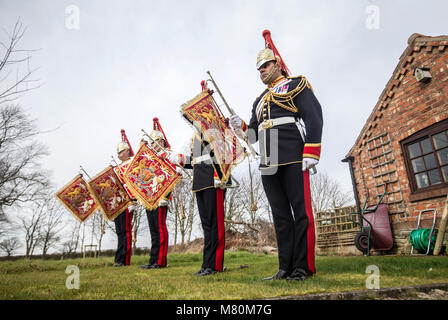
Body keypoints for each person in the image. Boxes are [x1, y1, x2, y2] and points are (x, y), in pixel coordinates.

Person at [230, 30, 323, 281]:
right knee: (280, 215)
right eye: (258, 68)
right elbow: (252, 137)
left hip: (293, 150)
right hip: (268, 157)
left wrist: (312, 150)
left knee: (300, 212)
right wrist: (238, 126)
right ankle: (285, 267)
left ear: (278, 63)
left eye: (265, 65)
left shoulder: (297, 84)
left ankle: (303, 268)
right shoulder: (258, 101)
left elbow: (313, 115)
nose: (261, 70)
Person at [177, 130, 231, 277]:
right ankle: (206, 264)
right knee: (207, 226)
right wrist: (180, 159)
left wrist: (219, 174)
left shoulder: (215, 128)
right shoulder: (196, 135)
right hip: (200, 181)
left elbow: (225, 151)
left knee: (215, 224)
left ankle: (215, 264)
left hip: (214, 180)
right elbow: (196, 161)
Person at [140, 118, 177, 269]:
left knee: (160, 228)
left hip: (162, 196)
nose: (153, 145)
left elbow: (173, 175)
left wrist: (166, 195)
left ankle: (161, 261)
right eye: (151, 143)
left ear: (161, 142)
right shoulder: (149, 157)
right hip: (150, 196)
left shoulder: (168, 154)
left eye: (155, 142)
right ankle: (153, 260)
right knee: (153, 229)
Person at [113, 132, 135, 267]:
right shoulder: (117, 168)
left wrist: (133, 201)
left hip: (128, 201)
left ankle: (125, 260)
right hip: (118, 202)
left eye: (120, 152)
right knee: (120, 231)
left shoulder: (133, 164)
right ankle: (118, 257)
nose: (118, 155)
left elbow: (134, 183)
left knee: (126, 231)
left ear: (127, 151)